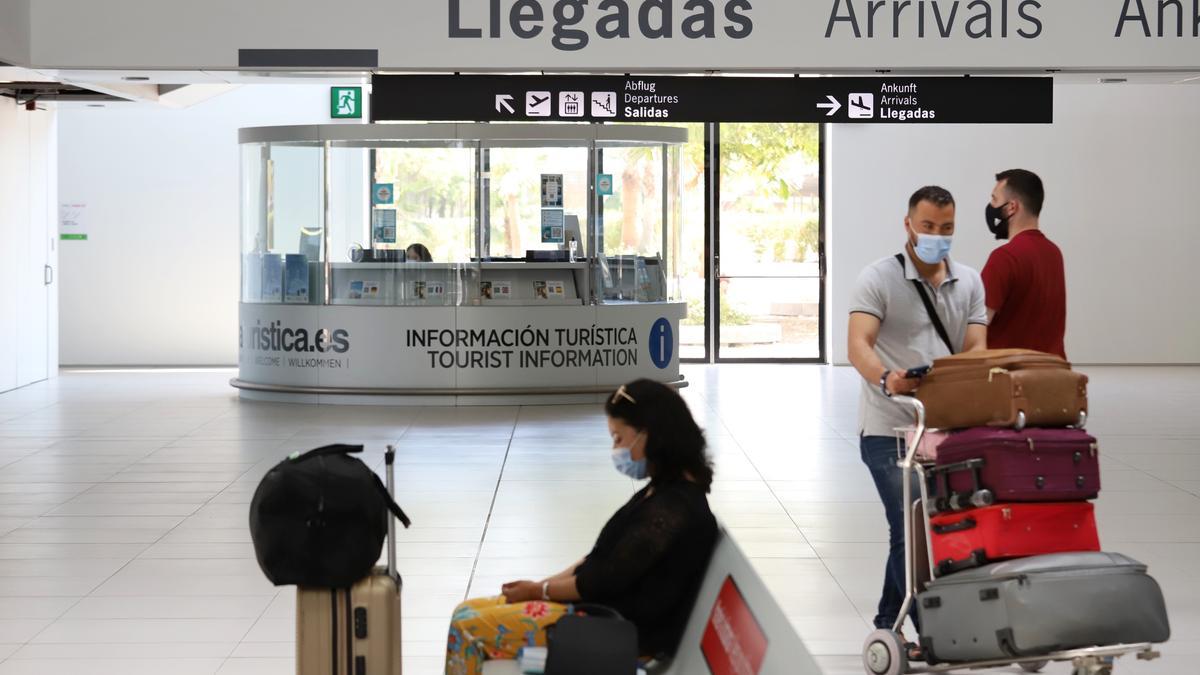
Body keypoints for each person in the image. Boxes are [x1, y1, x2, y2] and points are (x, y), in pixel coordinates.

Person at [444, 380, 718, 675]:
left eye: (618, 438)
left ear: (650, 435)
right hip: (604, 615)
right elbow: (599, 560)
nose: (615, 449)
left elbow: (600, 580)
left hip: (621, 635)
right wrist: (539, 588)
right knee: (465, 611)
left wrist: (541, 590)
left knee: (467, 627)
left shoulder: (673, 509)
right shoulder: (662, 492)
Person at [847, 185, 987, 656]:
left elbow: (976, 348)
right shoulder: (879, 278)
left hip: (944, 426)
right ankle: (893, 624)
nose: (937, 237)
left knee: (945, 525)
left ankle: (924, 623)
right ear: (907, 224)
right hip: (888, 427)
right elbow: (858, 345)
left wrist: (953, 380)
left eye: (946, 229)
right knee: (910, 526)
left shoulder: (968, 281)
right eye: (928, 227)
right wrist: (888, 378)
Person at [981, 169, 1067, 359]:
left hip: (1007, 377)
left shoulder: (1004, 257)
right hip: (1051, 376)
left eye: (994, 199)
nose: (991, 206)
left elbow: (977, 326)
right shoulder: (1054, 254)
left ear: (1011, 207)